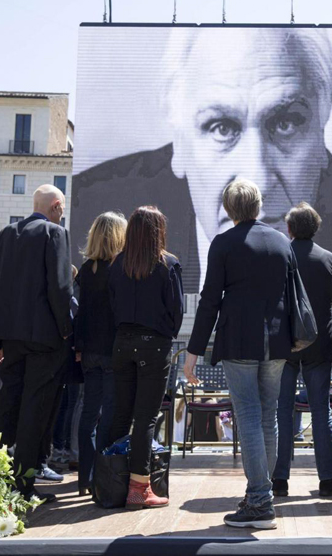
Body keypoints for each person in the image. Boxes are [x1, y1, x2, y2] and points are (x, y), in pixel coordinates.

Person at [71, 28, 332, 292]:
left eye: (285, 122)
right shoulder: (92, 203)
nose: (257, 181)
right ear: (179, 143)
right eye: (220, 127)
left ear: (322, 121)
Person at [183, 179, 295, 529]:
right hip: (277, 342)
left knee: (247, 414)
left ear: (229, 209)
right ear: (258, 206)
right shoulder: (281, 241)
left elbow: (210, 301)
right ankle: (262, 495)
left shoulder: (224, 243)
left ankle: (260, 501)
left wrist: (193, 351)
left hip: (240, 341)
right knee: (268, 416)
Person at [0, 184, 73, 501]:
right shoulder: (54, 233)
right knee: (36, 410)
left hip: (10, 338)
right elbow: (60, 288)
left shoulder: (5, 234)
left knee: (7, 406)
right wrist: (65, 330)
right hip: (45, 340)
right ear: (56, 206)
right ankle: (23, 484)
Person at [107, 206, 184, 510]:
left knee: (120, 414)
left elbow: (112, 305)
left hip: (122, 343)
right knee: (145, 418)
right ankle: (139, 487)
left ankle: (112, 479)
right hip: (154, 345)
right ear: (158, 231)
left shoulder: (117, 264)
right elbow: (176, 312)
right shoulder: (168, 264)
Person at [273, 203, 332, 499]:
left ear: (289, 229)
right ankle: (327, 480)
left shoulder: (279, 257)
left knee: (282, 414)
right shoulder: (329, 259)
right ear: (315, 228)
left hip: (285, 344)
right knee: (321, 411)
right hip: (319, 344)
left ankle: (279, 480)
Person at [74, 211, 127, 496]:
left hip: (90, 352)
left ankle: (85, 477)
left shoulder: (86, 270)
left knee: (88, 415)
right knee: (109, 414)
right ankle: (102, 478)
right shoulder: (121, 269)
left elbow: (81, 315)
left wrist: (79, 347)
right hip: (113, 351)